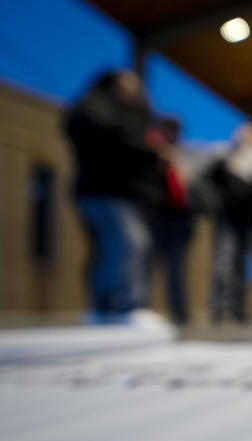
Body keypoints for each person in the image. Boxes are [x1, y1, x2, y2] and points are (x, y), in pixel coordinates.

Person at [64, 70, 164, 320]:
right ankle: (120, 308)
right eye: (128, 84)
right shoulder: (98, 106)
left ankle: (106, 308)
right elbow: (112, 136)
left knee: (111, 249)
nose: (133, 90)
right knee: (129, 242)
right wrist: (144, 144)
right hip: (104, 191)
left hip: (120, 192)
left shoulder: (126, 113)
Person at [208, 123, 252, 324]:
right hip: (226, 217)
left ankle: (238, 309)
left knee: (242, 266)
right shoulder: (225, 156)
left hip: (247, 219)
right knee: (224, 262)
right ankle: (218, 309)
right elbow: (211, 180)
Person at [148, 117, 194, 325]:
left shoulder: (183, 158)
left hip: (179, 220)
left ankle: (179, 313)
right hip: (157, 217)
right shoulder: (153, 154)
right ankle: (142, 310)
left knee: (177, 269)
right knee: (147, 265)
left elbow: (188, 191)